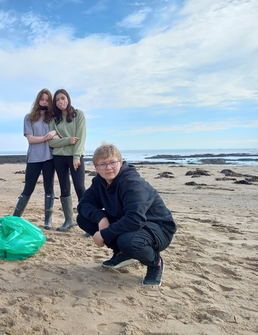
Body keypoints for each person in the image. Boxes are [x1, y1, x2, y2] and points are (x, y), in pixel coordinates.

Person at [77, 143, 177, 285]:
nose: (108, 167)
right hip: (132, 222)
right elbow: (83, 205)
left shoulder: (132, 183)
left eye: (112, 162)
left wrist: (104, 234)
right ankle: (122, 254)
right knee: (83, 219)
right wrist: (101, 218)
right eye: (103, 164)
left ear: (121, 162)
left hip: (158, 227)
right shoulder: (99, 182)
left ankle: (155, 263)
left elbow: (135, 219)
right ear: (96, 168)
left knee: (128, 241)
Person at [12, 89, 58, 229]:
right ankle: (15, 218)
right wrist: (45, 137)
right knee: (28, 188)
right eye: (42, 99)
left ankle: (48, 220)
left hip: (49, 158)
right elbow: (30, 139)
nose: (44, 102)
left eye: (47, 100)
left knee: (49, 189)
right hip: (34, 158)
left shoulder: (53, 118)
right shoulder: (29, 117)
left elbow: (58, 133)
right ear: (38, 100)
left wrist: (54, 132)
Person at [48, 89, 86, 231]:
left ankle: (88, 223)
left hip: (75, 156)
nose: (60, 102)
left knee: (80, 188)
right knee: (64, 188)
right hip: (59, 157)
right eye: (57, 100)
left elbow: (80, 138)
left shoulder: (79, 115)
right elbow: (51, 143)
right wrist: (68, 140)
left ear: (68, 99)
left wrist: (76, 156)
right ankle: (69, 220)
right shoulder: (54, 120)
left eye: (62, 98)